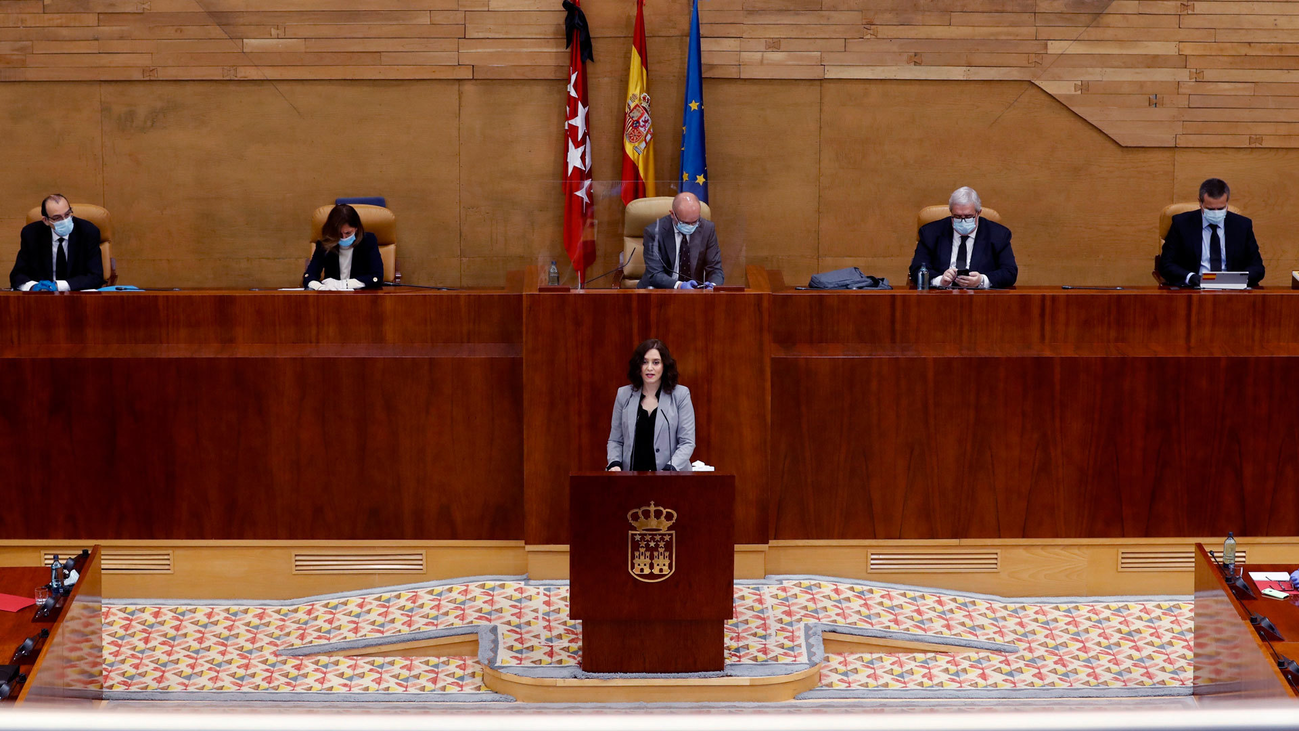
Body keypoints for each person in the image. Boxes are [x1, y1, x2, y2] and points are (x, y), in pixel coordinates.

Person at [606, 338, 695, 472]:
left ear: (664, 365)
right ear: (638, 366)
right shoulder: (624, 395)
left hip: (670, 479)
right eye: (644, 362)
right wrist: (614, 464)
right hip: (631, 478)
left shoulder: (680, 395)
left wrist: (670, 469)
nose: (649, 368)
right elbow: (615, 440)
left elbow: (687, 442)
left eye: (656, 362)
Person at [1159, 178, 1264, 288]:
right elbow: (1166, 264)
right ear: (1200, 203)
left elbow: (1257, 267)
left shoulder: (1242, 226)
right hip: (1194, 290)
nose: (1216, 213)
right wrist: (1191, 277)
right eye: (1210, 209)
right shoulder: (1182, 224)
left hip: (1232, 290)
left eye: (1220, 208)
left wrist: (1239, 278)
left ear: (1227, 203)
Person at [909, 186, 1017, 289]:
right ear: (951, 212)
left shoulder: (998, 234)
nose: (963, 220)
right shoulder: (930, 233)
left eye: (968, 216)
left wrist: (982, 280)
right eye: (957, 217)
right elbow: (916, 270)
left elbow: (1009, 272)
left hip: (982, 300)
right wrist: (940, 280)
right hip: (941, 297)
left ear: (978, 213)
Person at [10, 194, 104, 292]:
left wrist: (59, 286)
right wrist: (34, 287)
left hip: (77, 296)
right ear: (46, 220)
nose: (65, 221)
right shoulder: (31, 234)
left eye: (67, 214)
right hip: (43, 299)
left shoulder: (88, 231)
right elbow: (17, 275)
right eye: (57, 218)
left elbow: (96, 276)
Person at [638, 192, 723, 290]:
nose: (691, 226)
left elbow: (715, 269)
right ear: (672, 214)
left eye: (695, 221)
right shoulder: (654, 232)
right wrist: (680, 285)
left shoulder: (707, 229)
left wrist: (713, 285)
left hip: (694, 293)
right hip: (660, 291)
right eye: (685, 223)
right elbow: (654, 274)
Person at [302, 204, 384, 290]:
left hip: (360, 296)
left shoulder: (368, 241)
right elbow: (309, 276)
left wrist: (344, 284)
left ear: (356, 228)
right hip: (333, 296)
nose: (343, 237)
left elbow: (377, 277)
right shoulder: (324, 244)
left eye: (348, 233)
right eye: (339, 234)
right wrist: (320, 287)